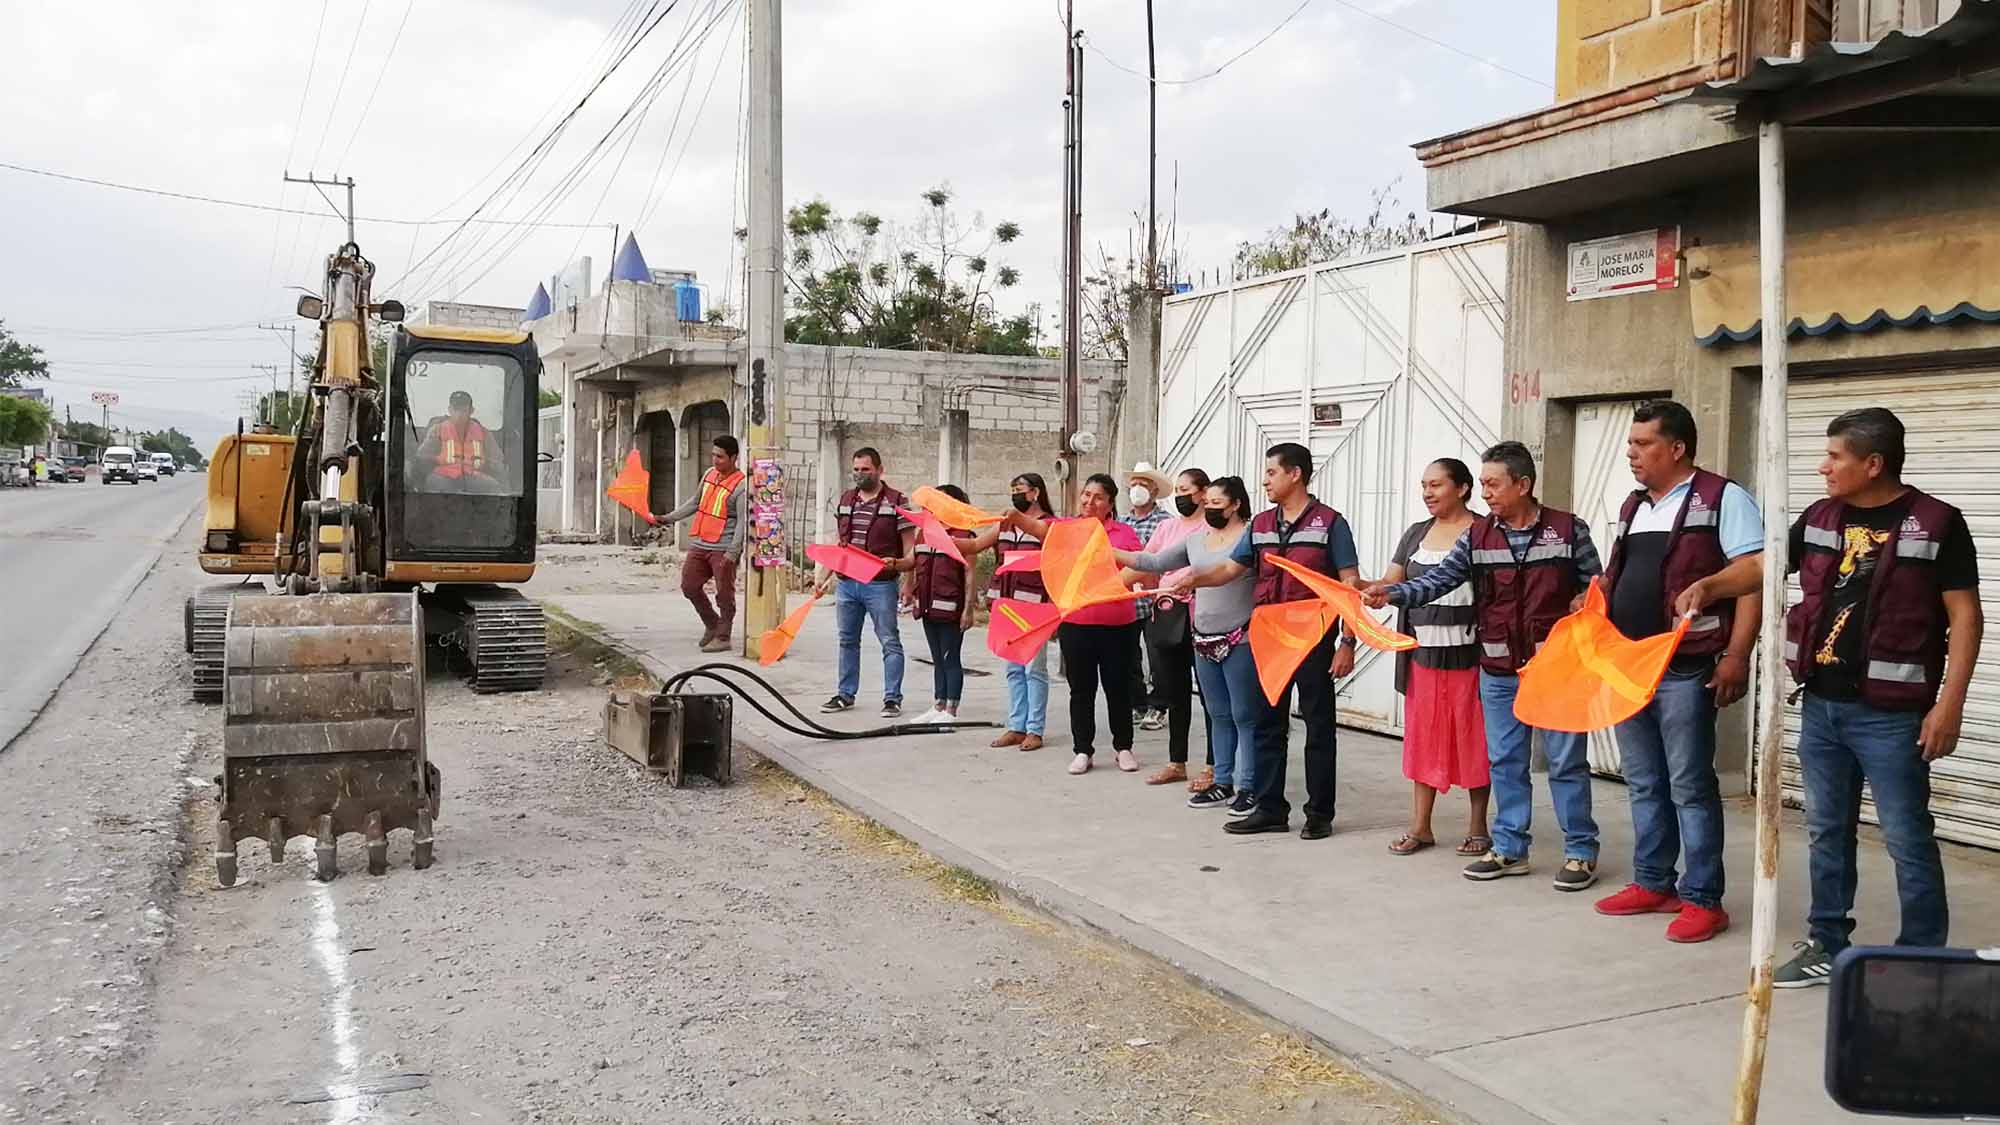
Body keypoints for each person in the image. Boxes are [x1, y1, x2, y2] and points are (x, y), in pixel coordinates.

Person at [1682, 408, 1982, 986]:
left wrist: (1951, 704)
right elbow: (1770, 565)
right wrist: (1713, 584)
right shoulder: (1821, 516)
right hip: (1821, 704)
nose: (1823, 467)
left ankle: (1921, 957)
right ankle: (1826, 941)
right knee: (1826, 829)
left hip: (1892, 717)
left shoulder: (1936, 522)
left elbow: (1965, 617)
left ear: (1873, 464)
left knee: (1906, 835)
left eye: (1835, 457)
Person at [1367, 441, 1604, 889]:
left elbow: (1597, 585)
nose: (1487, 492)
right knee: (1505, 761)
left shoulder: (1567, 531)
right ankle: (1510, 847)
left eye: (1494, 483)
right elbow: (1439, 580)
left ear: (1524, 484)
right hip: (1497, 667)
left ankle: (1580, 852)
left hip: (1557, 668)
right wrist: (1391, 593)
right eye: (1484, 484)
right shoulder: (1478, 536)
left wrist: (1584, 599)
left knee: (1566, 763)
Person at [1591, 401, 1763, 944]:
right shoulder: (1635, 505)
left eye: (1643, 444)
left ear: (1677, 448)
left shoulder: (1723, 499)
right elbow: (1623, 573)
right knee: (1643, 780)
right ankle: (1653, 881)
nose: (1631, 454)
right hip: (1629, 665)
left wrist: (1737, 655)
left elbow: (1753, 578)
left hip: (1687, 667)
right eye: (1631, 444)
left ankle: (1703, 898)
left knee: (1690, 784)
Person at [1177, 443, 1359, 838]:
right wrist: (1194, 578)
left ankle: (1319, 814)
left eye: (1272, 473)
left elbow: (1350, 586)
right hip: (1269, 638)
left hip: (1313, 638)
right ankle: (1270, 808)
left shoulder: (1330, 523)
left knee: (1318, 726)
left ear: (1295, 474)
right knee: (1265, 724)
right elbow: (1228, 569)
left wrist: (1347, 642)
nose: (1265, 481)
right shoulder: (1259, 524)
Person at [1375, 458, 1492, 858]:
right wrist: (1367, 590)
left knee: (1475, 740)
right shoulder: (1415, 534)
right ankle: (1420, 827)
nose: (1427, 492)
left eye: (1436, 485)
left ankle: (1479, 826)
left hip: (1472, 657)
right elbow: (1393, 582)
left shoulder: (1484, 532)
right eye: (1424, 485)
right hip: (1422, 656)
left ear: (1461, 488)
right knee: (1422, 739)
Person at [1122, 476, 1257, 810]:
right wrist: (1106, 550)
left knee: (1244, 715)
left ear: (1236, 504)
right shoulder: (1197, 540)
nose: (1209, 509)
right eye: (1207, 503)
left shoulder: (1251, 537)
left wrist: (1194, 579)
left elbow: (1229, 573)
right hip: (1204, 637)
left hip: (1242, 636)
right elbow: (1153, 562)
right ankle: (1222, 781)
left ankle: (1249, 785)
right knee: (1218, 713)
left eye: (1216, 504)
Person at [1006, 473, 1143, 775]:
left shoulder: (1123, 533)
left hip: (1117, 623)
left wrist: (1110, 584)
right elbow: (1040, 528)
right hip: (1076, 622)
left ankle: (1123, 747)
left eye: (1098, 497)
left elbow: (1139, 565)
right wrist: (1017, 516)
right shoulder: (1066, 528)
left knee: (1118, 688)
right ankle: (1083, 749)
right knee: (1081, 690)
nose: (1089, 501)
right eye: (1086, 495)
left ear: (1110, 503)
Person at [1122, 468, 1212, 786]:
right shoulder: (1167, 527)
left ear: (1203, 493)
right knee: (1174, 692)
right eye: (1178, 490)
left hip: (1202, 619)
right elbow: (1146, 562)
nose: (1180, 496)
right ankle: (1177, 762)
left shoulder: (1210, 528)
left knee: (1209, 695)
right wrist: (1107, 586)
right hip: (1167, 616)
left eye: (1186, 489)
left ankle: (1214, 766)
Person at [815, 448, 917, 718]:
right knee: (847, 640)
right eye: (856, 470)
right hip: (847, 583)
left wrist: (909, 583)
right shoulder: (847, 500)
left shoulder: (897, 502)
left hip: (880, 585)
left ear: (880, 470)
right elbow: (842, 545)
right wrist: (823, 578)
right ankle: (845, 694)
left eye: (866, 470)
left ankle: (892, 699)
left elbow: (911, 549)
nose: (860, 475)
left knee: (889, 640)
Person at [653, 435, 748, 654]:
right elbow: (695, 503)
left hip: (723, 548)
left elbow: (743, 522)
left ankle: (723, 636)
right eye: (713, 455)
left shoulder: (741, 486)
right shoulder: (709, 475)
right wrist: (668, 518)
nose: (715, 460)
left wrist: (732, 554)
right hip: (702, 543)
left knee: (725, 594)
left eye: (721, 457)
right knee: (689, 586)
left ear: (733, 457)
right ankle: (712, 625)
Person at [982, 473, 1056, 752]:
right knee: (1013, 669)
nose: (1014, 494)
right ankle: (1016, 726)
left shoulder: (1048, 525)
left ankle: (1035, 729)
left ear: (1035, 493)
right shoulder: (1005, 525)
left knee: (1034, 670)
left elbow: (1043, 539)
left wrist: (1015, 517)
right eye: (1012, 489)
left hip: (1035, 609)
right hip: (1007, 608)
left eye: (1019, 489)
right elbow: (976, 545)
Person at [905, 484, 978, 723]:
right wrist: (893, 564)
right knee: (937, 658)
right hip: (927, 606)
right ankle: (938, 704)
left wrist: (968, 609)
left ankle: (951, 710)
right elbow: (912, 562)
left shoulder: (964, 535)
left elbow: (969, 575)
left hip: (951, 608)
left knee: (950, 658)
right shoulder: (924, 532)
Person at [1125, 462, 1174, 730]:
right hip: (1128, 601)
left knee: (1158, 656)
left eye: (1144, 484)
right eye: (1135, 483)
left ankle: (1159, 706)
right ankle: (1137, 703)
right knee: (1129, 656)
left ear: (1155, 490)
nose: (1138, 489)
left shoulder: (1165, 522)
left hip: (1154, 599)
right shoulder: (1124, 520)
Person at [418, 390, 506, 492]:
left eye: (463, 410)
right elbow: (422, 455)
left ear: (471, 411)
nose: (459, 414)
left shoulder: (483, 433)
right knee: (433, 483)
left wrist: (490, 467)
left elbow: (497, 459)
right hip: (443, 476)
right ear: (449, 409)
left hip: (474, 476)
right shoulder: (437, 430)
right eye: (456, 409)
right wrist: (433, 463)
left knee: (493, 486)